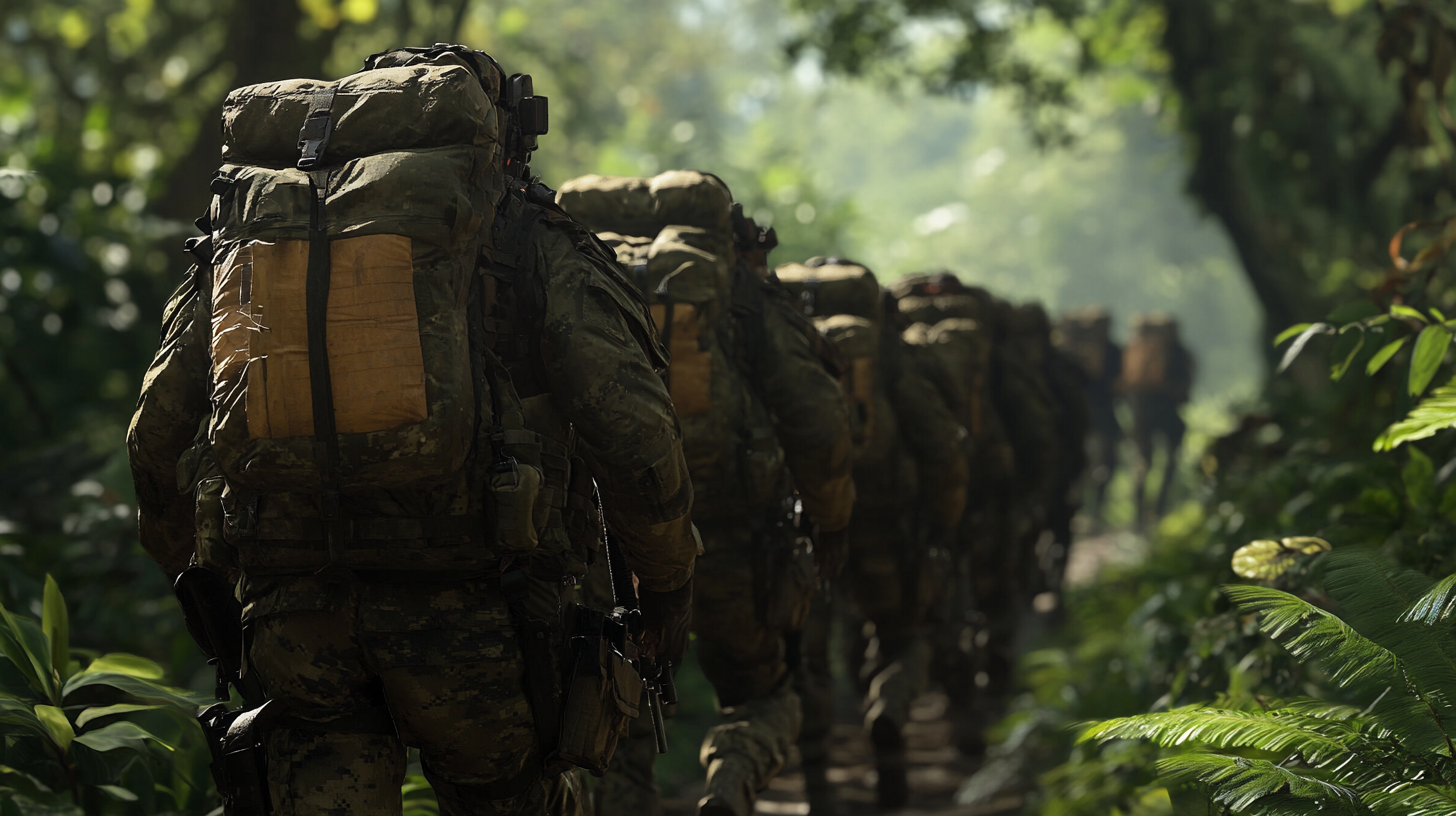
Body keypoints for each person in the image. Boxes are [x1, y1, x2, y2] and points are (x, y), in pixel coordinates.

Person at [128, 45, 698, 816]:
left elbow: (156, 433)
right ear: (506, 137)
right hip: (475, 612)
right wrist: (665, 585)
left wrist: (197, 576)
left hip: (297, 607)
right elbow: (633, 435)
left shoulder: (253, 238)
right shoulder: (532, 242)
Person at [557, 173, 855, 816]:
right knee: (762, 693)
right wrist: (832, 520)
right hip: (733, 532)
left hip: (608, 539)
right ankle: (731, 780)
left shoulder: (563, 267)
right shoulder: (736, 288)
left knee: (614, 709)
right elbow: (815, 414)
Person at [777, 258, 968, 812]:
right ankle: (887, 713)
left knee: (810, 658)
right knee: (903, 637)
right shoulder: (891, 356)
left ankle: (816, 784)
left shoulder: (779, 345)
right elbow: (941, 446)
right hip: (889, 523)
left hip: (808, 526)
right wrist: (943, 522)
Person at [1121, 313, 1195, 527]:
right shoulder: (1179, 354)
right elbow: (1186, 389)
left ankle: (1140, 515)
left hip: (1144, 415)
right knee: (1164, 463)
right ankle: (1156, 511)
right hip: (1165, 415)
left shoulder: (1139, 350)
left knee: (1143, 464)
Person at [1055, 307, 1122, 526]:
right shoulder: (1113, 351)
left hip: (1076, 414)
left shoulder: (1067, 350)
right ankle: (1093, 510)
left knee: (1082, 461)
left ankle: (1082, 508)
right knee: (1103, 461)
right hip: (1099, 413)